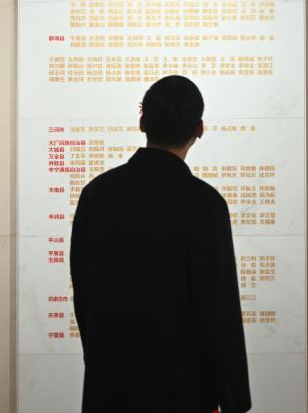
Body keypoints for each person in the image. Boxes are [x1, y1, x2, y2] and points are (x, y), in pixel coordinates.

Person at [70, 75, 251, 413]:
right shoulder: (205, 204)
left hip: (109, 385)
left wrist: (98, 360)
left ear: (142, 122)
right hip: (183, 388)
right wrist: (233, 396)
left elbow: (84, 293)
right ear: (199, 129)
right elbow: (217, 308)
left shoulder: (97, 194)